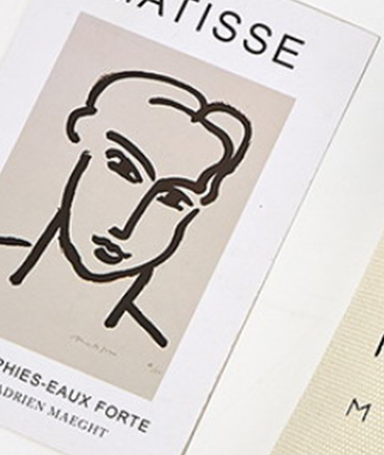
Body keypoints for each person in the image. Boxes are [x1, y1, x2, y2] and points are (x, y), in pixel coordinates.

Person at [0, 70, 252, 348]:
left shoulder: (156, 347)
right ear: (85, 143)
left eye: (172, 199)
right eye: (122, 168)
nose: (125, 227)